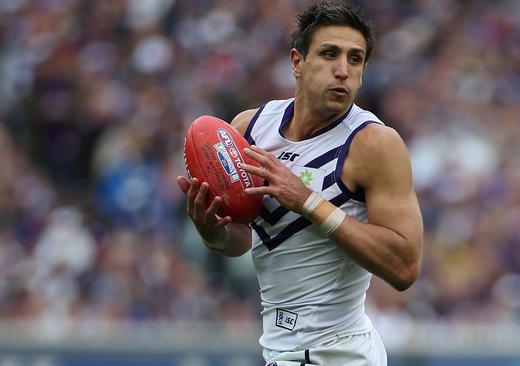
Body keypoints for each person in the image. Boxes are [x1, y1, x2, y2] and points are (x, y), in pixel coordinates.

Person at [177, 1, 423, 365]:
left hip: (339, 352)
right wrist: (213, 232)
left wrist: (308, 201)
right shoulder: (250, 128)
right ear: (297, 62)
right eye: (329, 54)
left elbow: (405, 267)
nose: (343, 70)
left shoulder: (374, 144)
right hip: (280, 351)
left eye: (355, 59)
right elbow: (242, 241)